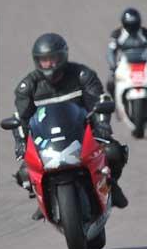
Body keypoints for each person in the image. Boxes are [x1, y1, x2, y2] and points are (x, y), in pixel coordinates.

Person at [13, 33, 129, 210]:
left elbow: (100, 101)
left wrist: (103, 125)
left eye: (53, 59)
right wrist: (21, 142)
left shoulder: (82, 75)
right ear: (37, 61)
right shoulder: (28, 86)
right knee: (23, 173)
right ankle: (45, 196)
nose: (49, 64)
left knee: (114, 152)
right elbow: (21, 119)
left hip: (84, 133)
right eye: (45, 60)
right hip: (47, 141)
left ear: (63, 57)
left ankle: (111, 184)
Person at [106, 7, 147, 99]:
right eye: (129, 25)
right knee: (110, 82)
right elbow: (111, 51)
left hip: (145, 63)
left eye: (134, 25)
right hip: (124, 65)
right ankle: (114, 100)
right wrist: (113, 66)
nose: (132, 28)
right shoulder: (117, 34)